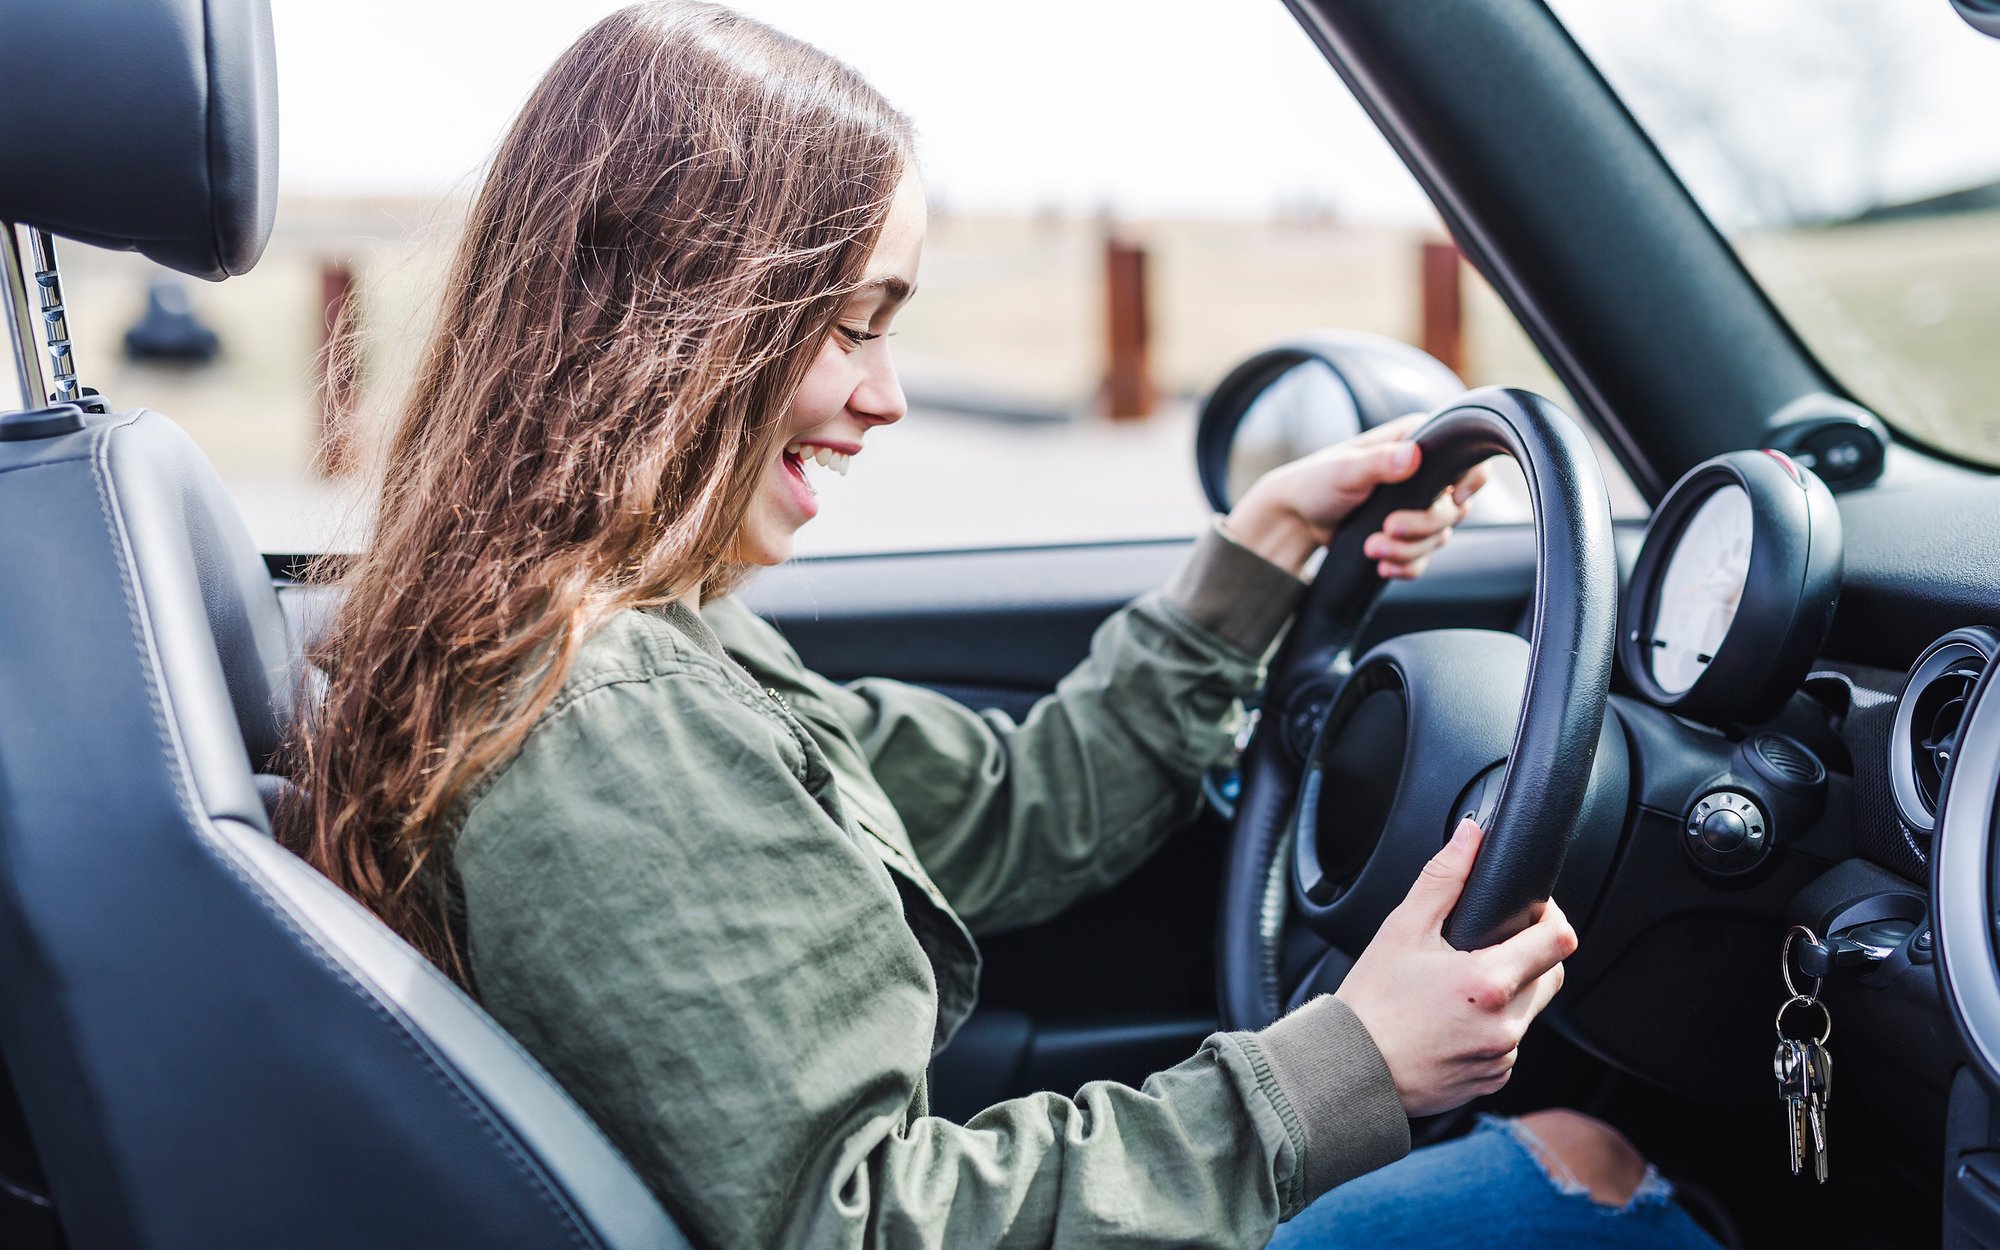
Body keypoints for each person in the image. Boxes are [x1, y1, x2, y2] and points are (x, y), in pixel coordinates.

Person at [276, 4, 1723, 1248]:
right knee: (1587, 1168)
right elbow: (860, 1220)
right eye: (849, 324)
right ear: (686, 326)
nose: (887, 395)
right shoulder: (607, 724)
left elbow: (1012, 813)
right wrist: (1346, 1067)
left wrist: (1261, 550)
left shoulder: (631, 643)